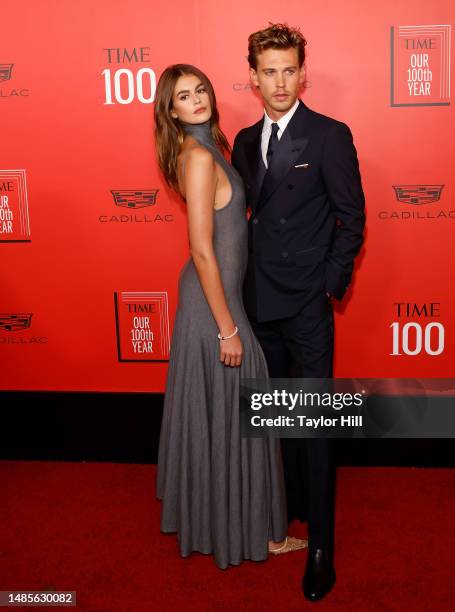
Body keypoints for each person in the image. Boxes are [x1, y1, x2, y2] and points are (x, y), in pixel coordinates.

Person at [154, 64, 307, 570]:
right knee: (242, 410)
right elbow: (201, 249)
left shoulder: (206, 149)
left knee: (229, 414)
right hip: (213, 304)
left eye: (200, 90)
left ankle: (236, 524)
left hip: (218, 297)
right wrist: (227, 328)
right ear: (170, 110)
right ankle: (255, 533)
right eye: (183, 96)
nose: (196, 100)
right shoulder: (197, 157)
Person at [232, 24, 365, 599]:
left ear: (302, 74)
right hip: (259, 305)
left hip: (306, 306)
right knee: (275, 420)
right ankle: (285, 514)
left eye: (289, 70)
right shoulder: (241, 140)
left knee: (312, 425)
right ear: (254, 78)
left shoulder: (329, 136)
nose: (280, 81)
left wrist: (326, 287)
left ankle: (321, 547)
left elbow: (352, 218)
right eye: (270, 71)